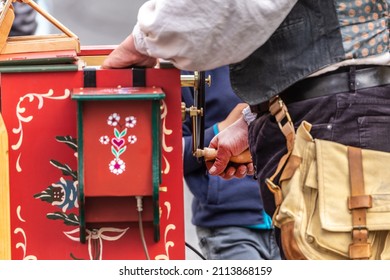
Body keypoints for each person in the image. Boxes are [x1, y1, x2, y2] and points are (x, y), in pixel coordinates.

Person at [102, 0, 390, 256]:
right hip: (349, 112)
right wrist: (253, 122)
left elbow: (223, 9)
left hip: (344, 119)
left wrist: (143, 40)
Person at [181, 66, 280, 260]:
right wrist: (222, 129)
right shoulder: (188, 62)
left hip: (295, 215)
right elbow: (163, 154)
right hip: (228, 224)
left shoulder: (284, 50)